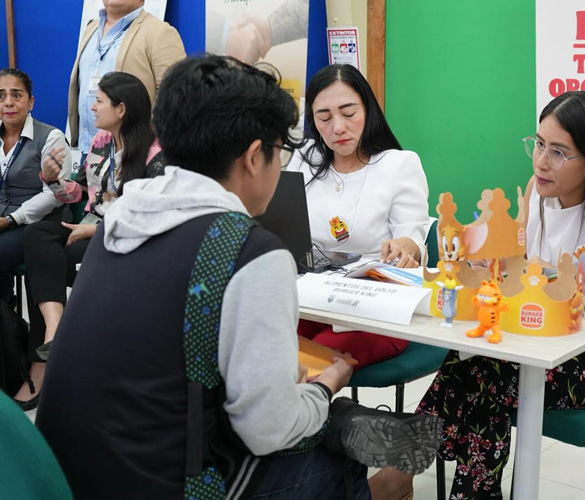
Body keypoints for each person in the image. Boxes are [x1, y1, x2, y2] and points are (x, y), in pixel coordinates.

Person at [37, 55, 440, 500]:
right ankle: (347, 433)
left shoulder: (121, 218)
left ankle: (341, 422)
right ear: (254, 157)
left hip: (68, 472)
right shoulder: (248, 252)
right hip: (173, 485)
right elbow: (269, 431)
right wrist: (325, 389)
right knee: (329, 449)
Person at [369, 91, 585, 500]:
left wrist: (559, 275)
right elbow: (518, 262)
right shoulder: (537, 191)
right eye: (539, 144)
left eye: (559, 152)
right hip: (538, 340)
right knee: (473, 362)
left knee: (487, 375)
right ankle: (425, 480)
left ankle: (403, 475)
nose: (541, 161)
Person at [22, 71, 165, 393]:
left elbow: (147, 213)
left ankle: (47, 363)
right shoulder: (101, 142)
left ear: (122, 109)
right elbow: (81, 193)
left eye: (99, 101)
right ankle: (55, 330)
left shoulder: (155, 152)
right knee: (36, 237)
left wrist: (96, 231)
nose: (92, 108)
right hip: (87, 223)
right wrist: (52, 179)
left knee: (50, 264)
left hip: (125, 234)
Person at [288, 63, 429, 369]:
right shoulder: (303, 160)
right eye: (324, 118)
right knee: (263, 347)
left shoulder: (398, 165)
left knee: (303, 364)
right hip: (309, 302)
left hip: (371, 312)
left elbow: (413, 238)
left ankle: (328, 416)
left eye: (348, 113)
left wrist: (408, 246)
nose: (337, 127)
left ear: (368, 110)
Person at [0, 68, 70, 409]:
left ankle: (27, 357)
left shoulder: (51, 136)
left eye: (16, 95)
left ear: (31, 101)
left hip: (34, 225)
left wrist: (10, 218)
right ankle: (8, 342)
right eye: (0, 96)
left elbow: (53, 196)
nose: (7, 102)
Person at [68, 0, 185, 161]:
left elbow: (175, 96)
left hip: (134, 152)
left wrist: (147, 140)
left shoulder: (159, 32)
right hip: (88, 149)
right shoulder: (91, 28)